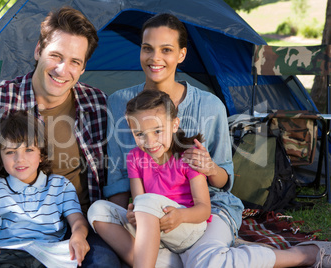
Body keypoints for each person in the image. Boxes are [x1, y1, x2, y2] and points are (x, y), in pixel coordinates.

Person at [88, 13, 330, 268]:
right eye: (147, 48)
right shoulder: (118, 103)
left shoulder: (209, 105)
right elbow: (117, 178)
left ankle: (305, 254)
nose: (155, 58)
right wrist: (129, 216)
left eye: (166, 50)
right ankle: (187, 259)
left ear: (181, 54)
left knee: (207, 263)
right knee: (99, 211)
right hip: (150, 212)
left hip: (207, 209)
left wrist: (209, 168)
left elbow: (224, 180)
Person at [0, 6, 121, 268]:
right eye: (55, 56)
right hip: (9, 230)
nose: (63, 70)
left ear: (84, 67)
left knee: (105, 264)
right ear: (38, 51)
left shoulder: (97, 104)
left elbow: (126, 165)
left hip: (79, 230)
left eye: (75, 61)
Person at [90, 89, 211, 268]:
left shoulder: (189, 156)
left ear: (175, 125)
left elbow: (204, 210)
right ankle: (158, 261)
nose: (150, 141)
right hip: (153, 230)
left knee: (147, 202)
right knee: (97, 210)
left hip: (187, 227)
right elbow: (139, 201)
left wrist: (180, 215)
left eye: (157, 131)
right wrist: (133, 214)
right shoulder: (134, 157)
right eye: (140, 134)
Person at [0, 110, 89, 267]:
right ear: (0, 156)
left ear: (42, 154)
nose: (20, 159)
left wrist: (79, 235)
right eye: (11, 152)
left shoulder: (60, 185)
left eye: (29, 150)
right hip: (5, 254)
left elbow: (78, 220)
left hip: (47, 254)